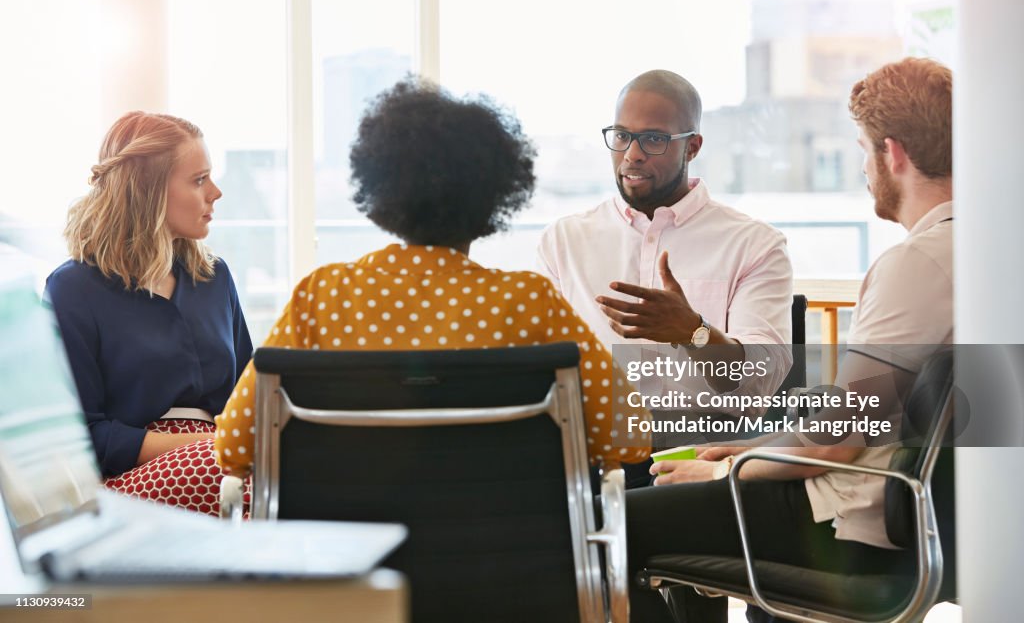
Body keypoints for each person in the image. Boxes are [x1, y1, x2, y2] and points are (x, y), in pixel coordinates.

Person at [625, 57, 954, 622]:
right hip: (921, 512)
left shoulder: (918, 263)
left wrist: (729, 469)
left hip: (851, 515)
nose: (864, 169)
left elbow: (835, 442)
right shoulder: (989, 249)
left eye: (862, 150)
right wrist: (754, 449)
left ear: (892, 154)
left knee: (614, 523)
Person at [214, 78, 650, 480]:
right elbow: (631, 437)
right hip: (505, 551)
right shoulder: (527, 302)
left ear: (381, 189)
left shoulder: (324, 297)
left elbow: (235, 444)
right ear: (494, 197)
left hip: (352, 553)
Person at [537, 69, 793, 462]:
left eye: (654, 139)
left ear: (692, 147)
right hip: (592, 452)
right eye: (622, 136)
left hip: (701, 455)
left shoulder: (754, 244)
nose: (632, 154)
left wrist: (695, 334)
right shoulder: (564, 241)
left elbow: (762, 381)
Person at [46, 111, 252, 516]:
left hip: (223, 463)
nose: (216, 192)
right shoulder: (72, 289)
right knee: (225, 471)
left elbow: (247, 396)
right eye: (198, 180)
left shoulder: (215, 277)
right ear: (149, 190)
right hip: (130, 478)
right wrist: (211, 446)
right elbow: (82, 435)